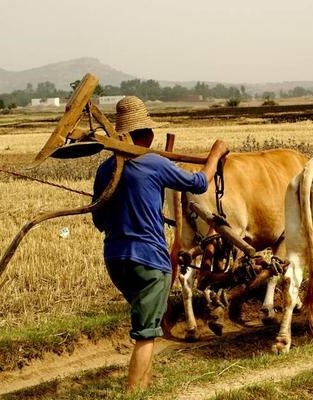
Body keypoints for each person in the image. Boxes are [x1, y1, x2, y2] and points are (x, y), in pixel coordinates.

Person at [91, 96, 228, 392]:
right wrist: (215, 155)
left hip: (116, 260)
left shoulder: (104, 170)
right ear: (148, 135)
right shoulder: (154, 163)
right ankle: (134, 393)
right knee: (146, 334)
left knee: (148, 320)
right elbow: (200, 183)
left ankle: (146, 383)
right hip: (149, 262)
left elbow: (99, 221)